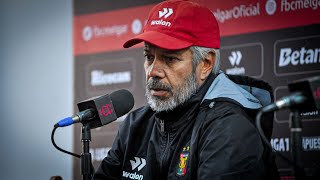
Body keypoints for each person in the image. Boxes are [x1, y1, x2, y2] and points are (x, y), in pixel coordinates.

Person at [93, 0, 279, 179]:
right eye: (149, 57)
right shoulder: (136, 124)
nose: (153, 71)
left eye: (170, 59)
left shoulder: (230, 126)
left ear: (206, 64)